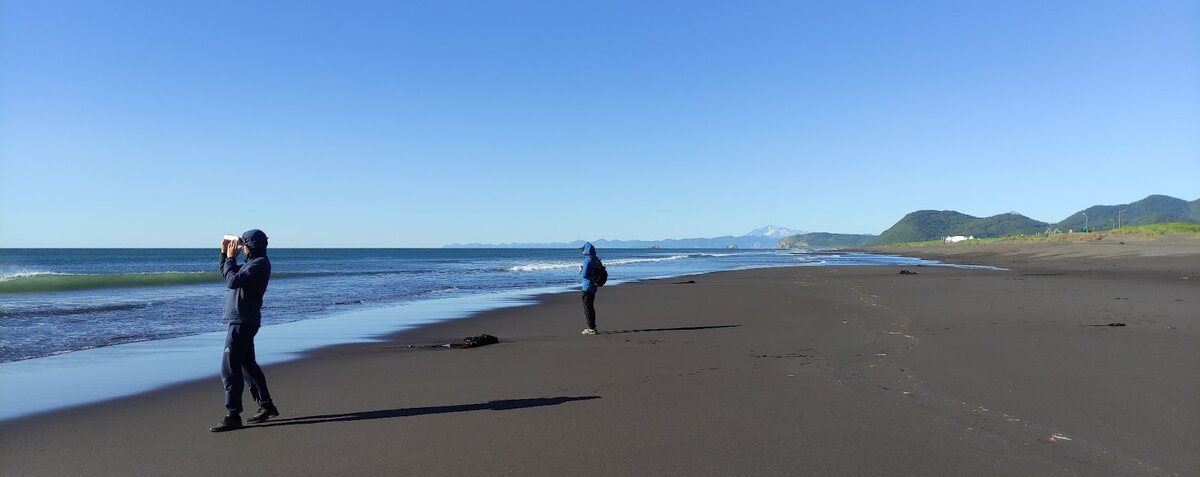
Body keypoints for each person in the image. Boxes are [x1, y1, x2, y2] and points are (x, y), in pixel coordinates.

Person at [210, 229, 279, 432]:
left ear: (252, 246)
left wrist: (231, 257)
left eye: (245, 244)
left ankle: (233, 414)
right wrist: (224, 255)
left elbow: (233, 281)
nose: (242, 247)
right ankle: (266, 405)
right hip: (244, 320)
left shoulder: (259, 265)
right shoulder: (254, 263)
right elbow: (228, 274)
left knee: (229, 368)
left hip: (242, 321)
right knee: (247, 365)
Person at [577, 242, 601, 335]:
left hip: (587, 287)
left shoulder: (588, 260)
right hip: (593, 287)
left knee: (587, 308)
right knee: (590, 307)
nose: (582, 251)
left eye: (582, 250)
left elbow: (584, 275)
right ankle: (593, 327)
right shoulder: (596, 259)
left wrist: (580, 270)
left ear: (586, 250)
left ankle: (591, 328)